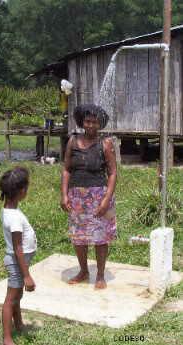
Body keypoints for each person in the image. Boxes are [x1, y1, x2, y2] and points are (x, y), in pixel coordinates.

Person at [61, 104, 117, 289]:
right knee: (79, 236)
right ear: (82, 122)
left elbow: (113, 173)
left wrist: (107, 199)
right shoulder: (72, 141)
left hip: (100, 196)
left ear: (100, 124)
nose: (91, 125)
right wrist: (64, 195)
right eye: (87, 121)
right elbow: (67, 169)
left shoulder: (106, 144)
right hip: (77, 196)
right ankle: (83, 270)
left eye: (94, 122)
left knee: (100, 237)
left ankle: (100, 274)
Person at [0, 167, 37, 345]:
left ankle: (19, 324)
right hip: (17, 262)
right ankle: (7, 338)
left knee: (17, 297)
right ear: (22, 191)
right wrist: (27, 275)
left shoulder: (9, 209)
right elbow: (18, 247)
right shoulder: (14, 217)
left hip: (19, 262)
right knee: (11, 299)